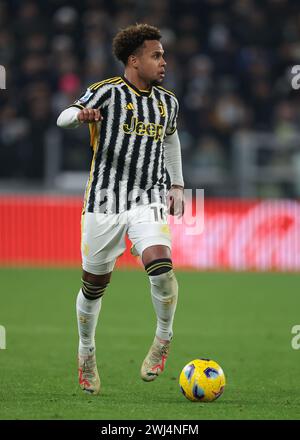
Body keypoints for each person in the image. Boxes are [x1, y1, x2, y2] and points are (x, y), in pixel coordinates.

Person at [57, 23, 184, 395]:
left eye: (163, 55)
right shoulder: (107, 93)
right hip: (104, 200)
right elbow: (63, 116)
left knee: (161, 266)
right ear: (134, 59)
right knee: (94, 285)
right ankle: (86, 352)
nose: (163, 62)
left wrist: (176, 184)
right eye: (155, 55)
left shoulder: (168, 102)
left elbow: (171, 139)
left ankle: (163, 339)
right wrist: (79, 116)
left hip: (148, 197)